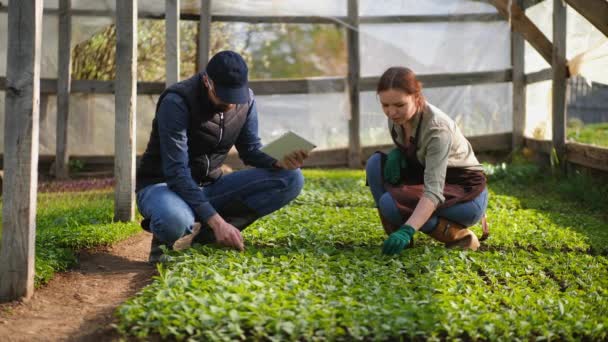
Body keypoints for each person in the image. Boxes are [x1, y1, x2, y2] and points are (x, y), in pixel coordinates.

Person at [136, 50, 308, 262]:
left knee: (291, 178)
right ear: (207, 81)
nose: (231, 104)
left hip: (210, 186)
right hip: (164, 186)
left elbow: (250, 149)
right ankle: (163, 244)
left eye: (236, 96)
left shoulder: (247, 101)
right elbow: (176, 172)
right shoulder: (177, 102)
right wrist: (217, 221)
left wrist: (276, 159)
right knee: (175, 220)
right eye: (224, 95)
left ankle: (207, 237)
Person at [365, 67, 489, 255]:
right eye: (385, 105)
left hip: (464, 194)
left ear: (416, 96)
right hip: (428, 177)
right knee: (376, 164)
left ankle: (459, 236)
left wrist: (409, 229)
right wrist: (399, 152)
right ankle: (397, 232)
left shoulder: (437, 129)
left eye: (399, 105)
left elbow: (433, 191)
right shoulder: (397, 119)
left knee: (390, 204)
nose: (391, 112)